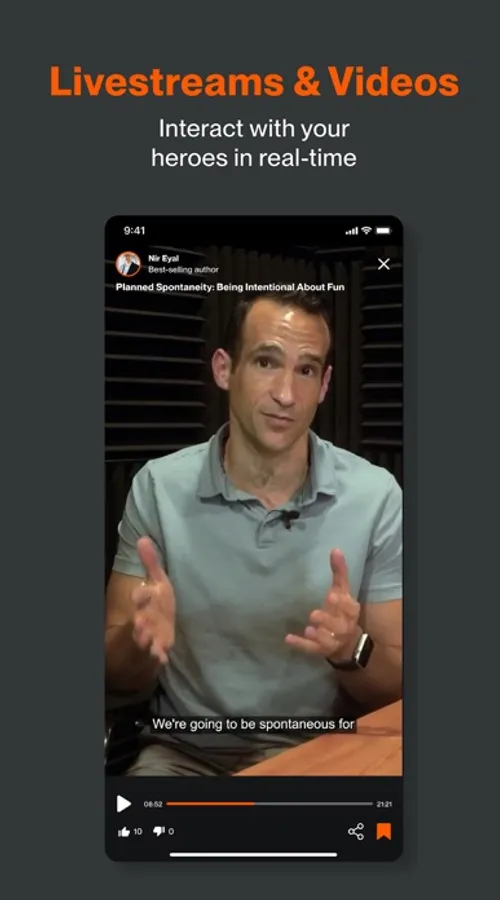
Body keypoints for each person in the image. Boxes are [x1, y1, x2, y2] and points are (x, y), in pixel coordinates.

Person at [105, 290, 402, 776]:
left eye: (306, 370)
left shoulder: (375, 496)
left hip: (317, 754)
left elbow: (395, 689)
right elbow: (115, 678)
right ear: (224, 369)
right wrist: (139, 643)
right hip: (183, 755)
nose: (286, 394)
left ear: (325, 384)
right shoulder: (158, 487)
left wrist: (352, 649)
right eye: (267, 362)